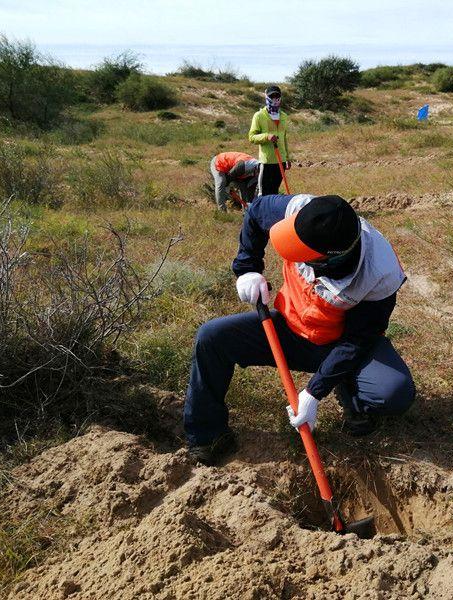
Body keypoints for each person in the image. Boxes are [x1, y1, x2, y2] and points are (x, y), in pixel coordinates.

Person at [184, 193, 416, 465]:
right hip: (287, 327)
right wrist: (247, 268)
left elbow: (357, 341)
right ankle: (208, 435)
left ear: (325, 262)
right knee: (212, 338)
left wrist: (314, 392)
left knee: (393, 391)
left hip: (339, 342)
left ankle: (349, 390)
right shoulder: (303, 212)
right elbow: (257, 211)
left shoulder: (380, 273)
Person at [248, 85, 291, 196]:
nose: (275, 98)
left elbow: (284, 138)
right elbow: (252, 137)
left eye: (277, 95)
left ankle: (272, 213)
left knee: (274, 192)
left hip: (280, 161)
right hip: (266, 162)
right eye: (272, 96)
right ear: (267, 97)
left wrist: (287, 158)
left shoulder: (284, 116)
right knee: (263, 194)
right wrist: (266, 136)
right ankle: (259, 213)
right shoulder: (259, 116)